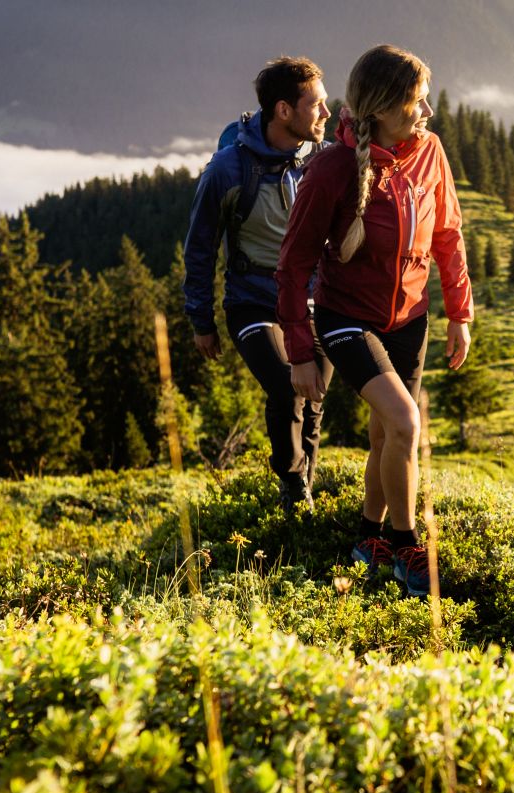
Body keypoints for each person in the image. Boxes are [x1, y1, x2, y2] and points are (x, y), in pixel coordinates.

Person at [277, 44, 473, 596]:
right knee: (408, 423)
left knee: (389, 432)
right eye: (418, 103)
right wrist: (299, 351)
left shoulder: (429, 152)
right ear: (384, 108)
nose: (428, 113)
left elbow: (448, 235)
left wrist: (460, 312)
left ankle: (368, 538)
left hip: (410, 318)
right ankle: (408, 545)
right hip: (346, 319)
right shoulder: (333, 168)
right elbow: (292, 265)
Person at [183, 55, 334, 514]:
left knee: (314, 397)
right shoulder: (228, 170)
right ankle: (292, 486)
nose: (326, 113)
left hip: (311, 302)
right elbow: (200, 246)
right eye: (317, 105)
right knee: (288, 384)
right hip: (253, 303)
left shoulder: (320, 161)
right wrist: (201, 319)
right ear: (283, 111)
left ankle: (305, 484)